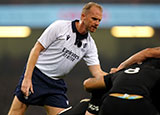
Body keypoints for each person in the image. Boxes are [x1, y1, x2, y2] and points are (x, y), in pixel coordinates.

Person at [8, 2, 107, 115]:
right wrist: (27, 78)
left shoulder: (90, 45)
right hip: (36, 76)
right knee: (16, 112)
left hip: (55, 85)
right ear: (83, 16)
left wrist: (115, 77)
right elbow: (36, 49)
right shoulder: (60, 26)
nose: (97, 23)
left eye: (99, 20)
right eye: (94, 19)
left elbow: (97, 73)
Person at [59, 57, 160, 115]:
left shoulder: (121, 73)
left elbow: (88, 84)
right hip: (138, 103)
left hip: (111, 102)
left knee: (86, 104)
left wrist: (111, 77)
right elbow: (149, 51)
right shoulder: (155, 73)